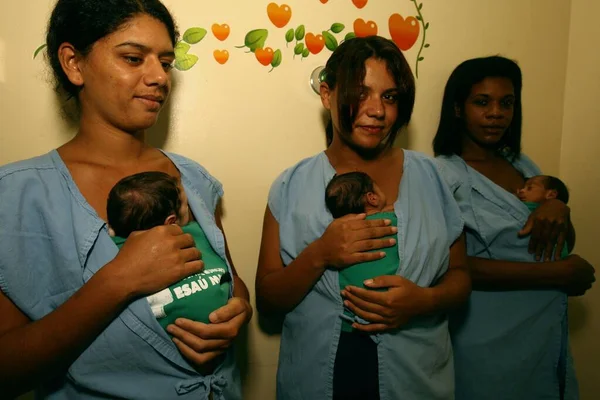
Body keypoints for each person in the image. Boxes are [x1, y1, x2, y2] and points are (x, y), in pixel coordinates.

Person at [0, 1, 251, 398]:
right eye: (134, 58)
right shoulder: (15, 197)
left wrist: (239, 310)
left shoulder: (194, 179)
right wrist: (119, 280)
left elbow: (232, 279)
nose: (159, 77)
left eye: (166, 62)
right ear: (74, 64)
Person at [256, 36, 471, 400]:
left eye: (389, 96)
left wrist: (423, 301)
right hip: (316, 378)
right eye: (361, 93)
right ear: (327, 94)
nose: (377, 110)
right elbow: (267, 300)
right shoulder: (290, 185)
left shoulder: (434, 178)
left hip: (417, 379)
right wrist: (320, 254)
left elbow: (461, 276)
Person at [433, 55, 595, 399]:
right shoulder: (443, 175)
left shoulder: (523, 165)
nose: (496, 113)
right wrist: (557, 276)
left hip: (541, 340)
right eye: (482, 102)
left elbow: (554, 244)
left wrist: (558, 208)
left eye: (506, 103)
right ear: (458, 109)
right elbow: (448, 266)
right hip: (486, 346)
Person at [106, 171, 231, 330]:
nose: (189, 209)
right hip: (213, 324)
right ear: (171, 222)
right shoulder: (195, 232)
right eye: (187, 206)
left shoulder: (108, 255)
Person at [324, 171, 398, 331]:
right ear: (372, 197)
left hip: (350, 318)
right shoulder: (393, 221)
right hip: (393, 308)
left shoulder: (336, 236)